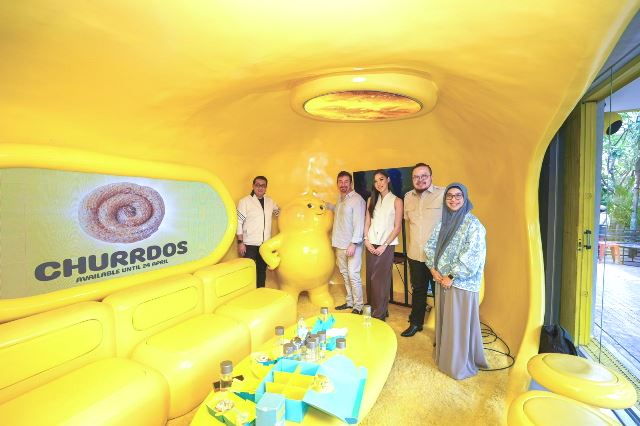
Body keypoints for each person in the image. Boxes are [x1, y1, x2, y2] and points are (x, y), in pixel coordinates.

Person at [425, 183, 488, 380]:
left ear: (465, 198)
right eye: (449, 196)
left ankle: (457, 365)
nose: (453, 199)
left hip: (460, 283)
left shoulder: (473, 225)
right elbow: (430, 246)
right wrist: (433, 269)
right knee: (446, 321)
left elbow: (472, 256)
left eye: (458, 196)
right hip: (441, 280)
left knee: (457, 325)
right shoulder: (443, 222)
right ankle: (445, 357)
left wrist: (451, 276)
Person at [401, 163, 445, 337]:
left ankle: (443, 331)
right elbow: (408, 223)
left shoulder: (443, 194)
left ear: (431, 177)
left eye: (424, 176)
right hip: (415, 254)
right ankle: (416, 323)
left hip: (437, 257)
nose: (420, 180)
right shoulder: (407, 197)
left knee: (440, 294)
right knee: (418, 290)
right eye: (416, 177)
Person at [364, 169, 403, 320]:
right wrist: (366, 240)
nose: (378, 183)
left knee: (380, 280)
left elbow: (397, 227)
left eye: (381, 179)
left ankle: (378, 315)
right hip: (370, 243)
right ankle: (376, 308)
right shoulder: (371, 200)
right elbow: (367, 222)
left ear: (388, 180)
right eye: (375, 181)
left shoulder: (397, 201)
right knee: (370, 279)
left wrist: (384, 245)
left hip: (386, 246)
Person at [330, 171, 367, 314]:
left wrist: (354, 243)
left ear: (351, 183)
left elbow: (359, 223)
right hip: (339, 242)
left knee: (353, 275)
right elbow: (339, 212)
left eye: (346, 181)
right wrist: (327, 206)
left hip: (352, 245)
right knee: (345, 274)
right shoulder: (340, 199)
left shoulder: (357, 200)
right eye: (340, 182)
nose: (343, 184)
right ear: (337, 184)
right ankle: (350, 301)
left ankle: (358, 306)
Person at [236, 176, 279, 287]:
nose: (260, 188)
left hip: (264, 245)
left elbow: (278, 212)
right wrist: (240, 243)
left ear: (266, 187)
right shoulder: (244, 201)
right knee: (248, 273)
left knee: (261, 272)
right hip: (249, 244)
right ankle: (247, 294)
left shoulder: (270, 201)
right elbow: (238, 222)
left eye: (263, 185)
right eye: (257, 185)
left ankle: (261, 292)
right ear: (253, 186)